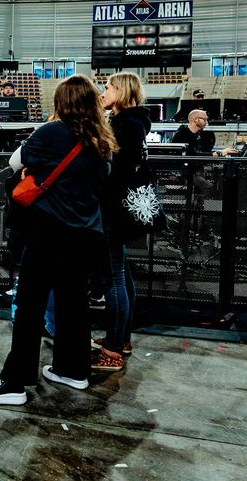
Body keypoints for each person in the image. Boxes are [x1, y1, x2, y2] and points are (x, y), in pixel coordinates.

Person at [0, 74, 115, 405]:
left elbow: (13, 162)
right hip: (87, 235)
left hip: (51, 232)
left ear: (62, 103)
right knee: (73, 304)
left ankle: (14, 383)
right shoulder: (103, 142)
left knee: (30, 305)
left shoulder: (52, 132)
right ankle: (73, 370)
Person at [94, 72, 150, 373]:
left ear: (122, 91)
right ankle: (121, 339)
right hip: (117, 209)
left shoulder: (126, 124)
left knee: (114, 279)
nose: (104, 92)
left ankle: (112, 350)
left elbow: (116, 172)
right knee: (122, 275)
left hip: (113, 210)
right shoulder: (132, 122)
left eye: (108, 88)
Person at [170, 110, 237, 157]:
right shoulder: (182, 135)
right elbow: (193, 156)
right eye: (204, 119)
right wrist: (220, 153)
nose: (206, 122)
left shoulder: (199, 134)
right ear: (196, 120)